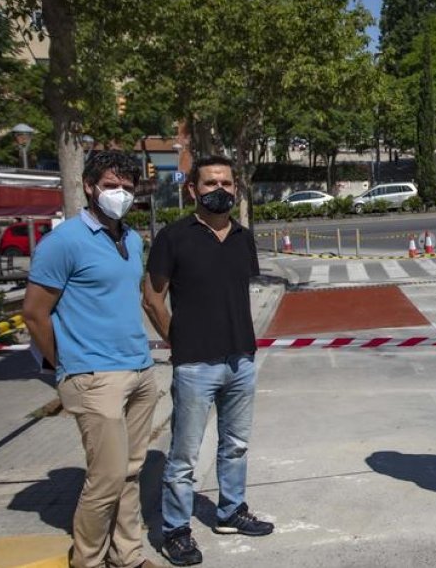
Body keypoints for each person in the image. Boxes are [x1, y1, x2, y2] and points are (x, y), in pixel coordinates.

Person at [22, 151, 162, 568]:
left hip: (138, 368)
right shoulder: (62, 243)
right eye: (111, 186)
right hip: (93, 375)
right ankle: (87, 560)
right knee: (105, 479)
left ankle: (128, 556)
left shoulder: (132, 239)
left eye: (128, 187)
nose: (120, 194)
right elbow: (34, 312)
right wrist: (65, 366)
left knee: (131, 473)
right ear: (89, 186)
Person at [143, 155, 273, 566]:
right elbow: (152, 297)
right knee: (183, 455)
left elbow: (234, 291)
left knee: (235, 445)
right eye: (210, 183)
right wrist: (177, 340)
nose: (219, 190)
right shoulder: (173, 237)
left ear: (237, 188)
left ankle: (231, 511)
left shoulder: (242, 237)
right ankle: (176, 529)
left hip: (241, 359)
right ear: (192, 190)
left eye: (227, 184)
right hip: (195, 364)